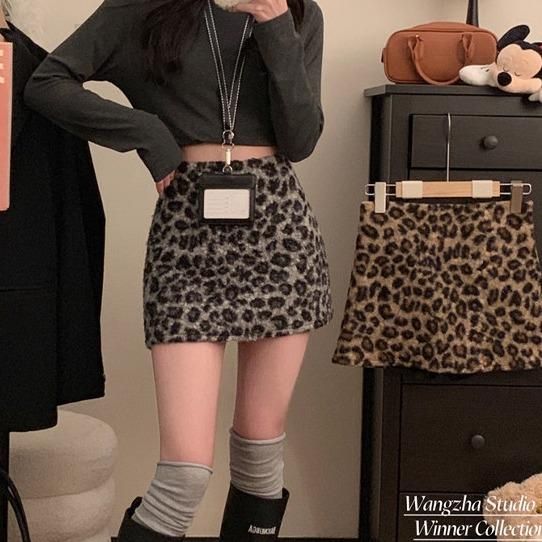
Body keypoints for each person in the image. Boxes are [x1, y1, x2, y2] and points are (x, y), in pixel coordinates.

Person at [24, 0, 333, 539]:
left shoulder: (299, 12)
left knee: (261, 456)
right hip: (186, 239)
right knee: (184, 474)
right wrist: (145, 131)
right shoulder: (141, 8)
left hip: (282, 238)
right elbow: (47, 83)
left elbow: (300, 139)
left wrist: (275, 23)